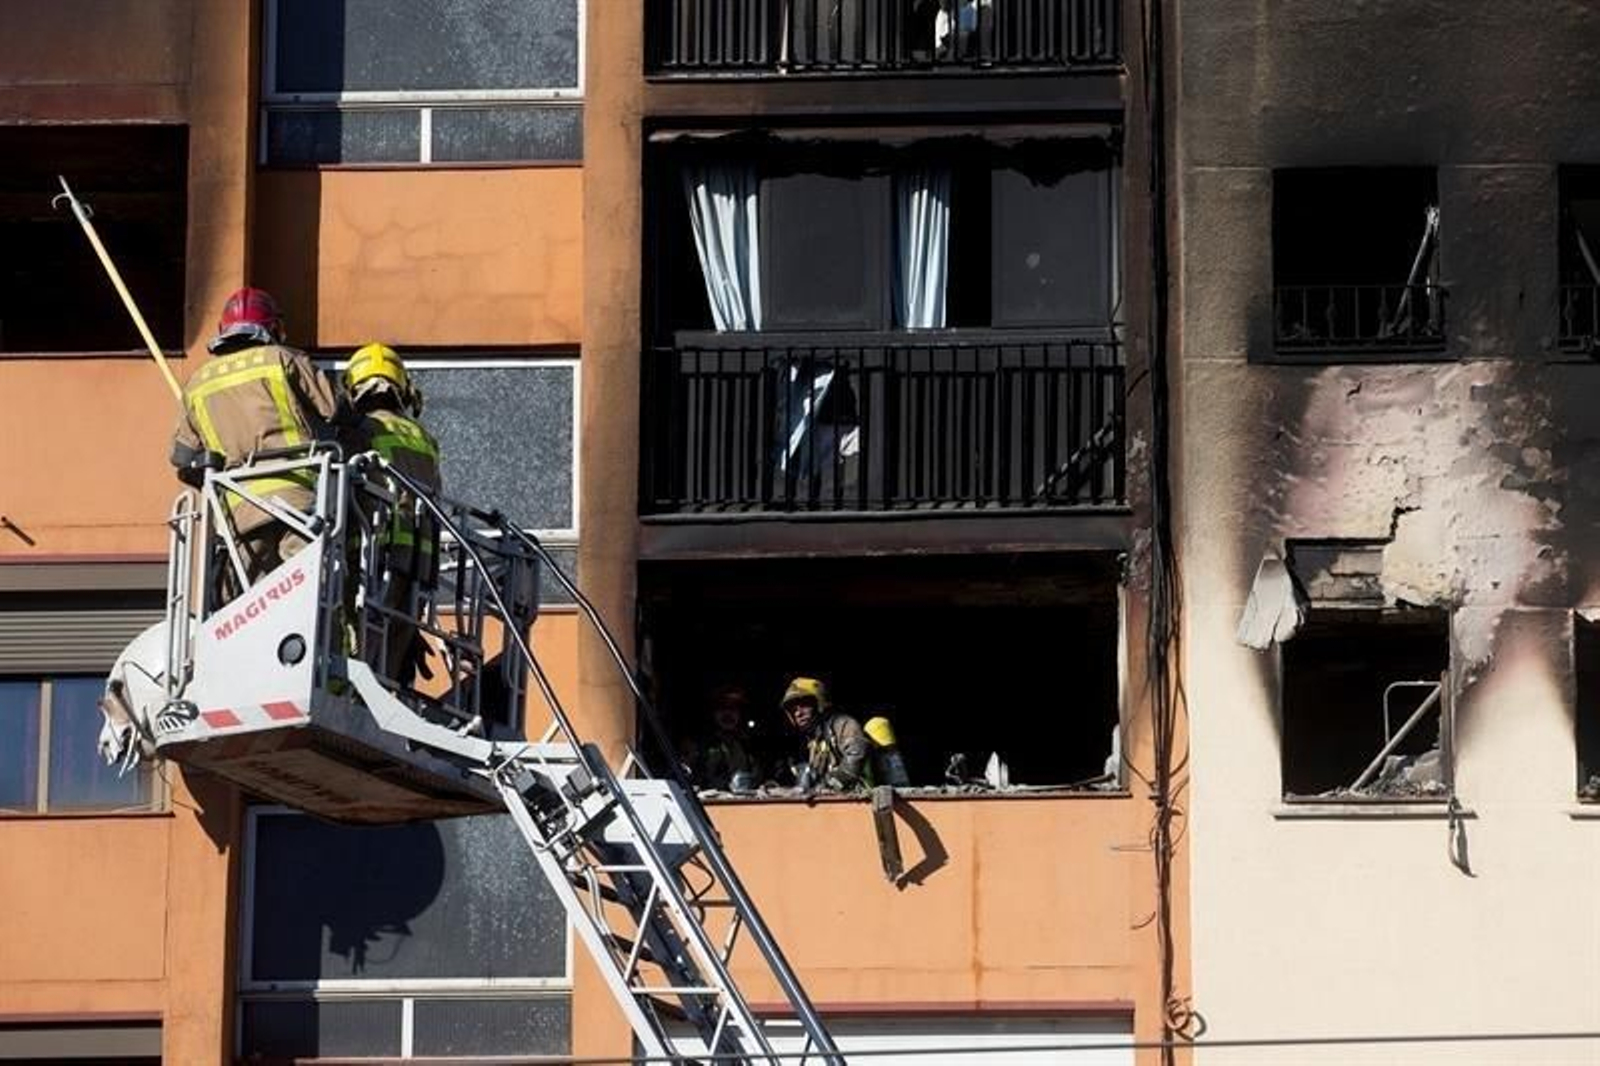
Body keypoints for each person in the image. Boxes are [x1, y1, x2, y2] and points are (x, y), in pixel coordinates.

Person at [170, 287, 340, 582]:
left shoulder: (198, 383)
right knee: (307, 590)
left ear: (224, 329)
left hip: (239, 510)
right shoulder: (283, 359)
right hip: (296, 499)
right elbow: (334, 408)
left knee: (252, 603)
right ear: (274, 327)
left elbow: (183, 457)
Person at [341, 343, 441, 685]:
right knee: (396, 640)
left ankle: (354, 698)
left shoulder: (362, 429)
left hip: (374, 550)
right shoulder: (424, 436)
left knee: (359, 641)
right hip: (417, 558)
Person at [780, 676, 871, 792]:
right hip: (837, 801)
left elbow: (856, 756)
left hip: (863, 799)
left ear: (820, 702)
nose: (798, 713)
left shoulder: (843, 724)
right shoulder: (814, 741)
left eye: (804, 705)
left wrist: (829, 785)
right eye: (793, 709)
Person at [688, 685, 760, 791]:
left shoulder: (748, 745)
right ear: (713, 712)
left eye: (733, 708)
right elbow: (693, 779)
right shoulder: (698, 744)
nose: (728, 713)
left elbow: (757, 776)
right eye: (722, 708)